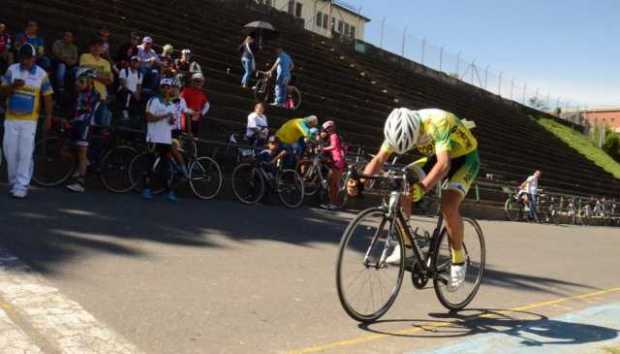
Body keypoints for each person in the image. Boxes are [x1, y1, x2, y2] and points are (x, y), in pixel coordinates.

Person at [347, 108, 480, 291]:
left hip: (465, 159)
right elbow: (379, 159)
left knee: (448, 206)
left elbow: (444, 165)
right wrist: (360, 182)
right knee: (403, 180)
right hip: (436, 156)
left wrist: (423, 187)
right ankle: (408, 244)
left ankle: (458, 262)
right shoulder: (396, 128)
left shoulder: (438, 122)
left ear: (417, 130)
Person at [0, 44, 54, 198]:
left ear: (34, 58)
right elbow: (2, 92)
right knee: (10, 151)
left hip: (30, 120)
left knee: (25, 152)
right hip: (11, 118)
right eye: (22, 57)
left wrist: (49, 117)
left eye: (28, 57)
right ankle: (13, 181)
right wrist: (13, 86)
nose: (25, 60)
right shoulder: (12, 69)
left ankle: (22, 184)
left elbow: (48, 97)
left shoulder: (41, 74)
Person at [65, 67, 101, 193]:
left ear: (90, 81)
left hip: (86, 125)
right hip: (77, 123)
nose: (77, 83)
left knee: (81, 153)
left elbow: (87, 111)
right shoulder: (80, 93)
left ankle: (80, 183)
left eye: (81, 81)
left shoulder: (94, 94)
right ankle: (85, 165)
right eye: (77, 81)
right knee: (73, 150)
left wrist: (73, 119)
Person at [143, 77, 178, 201]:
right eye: (163, 86)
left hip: (166, 139)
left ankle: (168, 191)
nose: (166, 89)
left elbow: (172, 124)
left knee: (165, 166)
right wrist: (164, 116)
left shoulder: (172, 105)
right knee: (150, 164)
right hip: (153, 138)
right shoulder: (153, 100)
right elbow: (148, 117)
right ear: (160, 88)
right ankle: (146, 189)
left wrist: (172, 120)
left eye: (168, 87)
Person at [319, 120, 346, 211]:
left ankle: (333, 204)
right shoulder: (334, 135)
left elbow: (333, 146)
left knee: (332, 184)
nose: (326, 130)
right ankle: (334, 203)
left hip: (337, 161)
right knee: (333, 183)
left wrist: (323, 148)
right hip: (338, 161)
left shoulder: (333, 135)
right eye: (326, 129)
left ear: (331, 127)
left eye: (327, 128)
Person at [180, 72, 209, 137]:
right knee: (185, 133)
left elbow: (207, 105)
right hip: (187, 115)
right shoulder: (186, 91)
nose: (198, 83)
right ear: (192, 81)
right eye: (196, 81)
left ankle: (194, 137)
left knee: (194, 134)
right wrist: (186, 110)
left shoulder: (202, 94)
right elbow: (180, 100)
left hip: (196, 116)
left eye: (200, 81)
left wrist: (201, 113)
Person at [117, 56, 143, 121]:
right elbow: (122, 84)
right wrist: (131, 92)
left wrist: (138, 94)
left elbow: (139, 86)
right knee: (125, 95)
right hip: (124, 93)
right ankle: (123, 115)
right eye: (133, 61)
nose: (135, 63)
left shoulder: (140, 74)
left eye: (137, 62)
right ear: (130, 62)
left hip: (133, 96)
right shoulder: (124, 71)